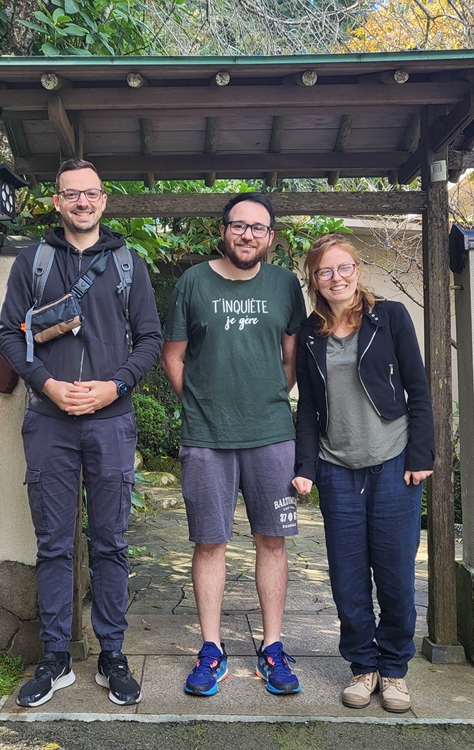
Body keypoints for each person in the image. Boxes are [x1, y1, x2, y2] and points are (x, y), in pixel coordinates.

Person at [0, 159, 162, 708]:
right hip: (50, 423)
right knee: (53, 544)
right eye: (72, 195)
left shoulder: (127, 264)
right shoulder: (34, 261)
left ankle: (112, 652)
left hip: (112, 422)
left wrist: (115, 386)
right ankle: (55, 656)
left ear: (104, 201)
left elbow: (150, 340)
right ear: (57, 202)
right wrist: (47, 384)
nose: (82, 203)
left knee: (111, 541)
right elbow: (7, 334)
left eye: (90, 194)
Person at [162, 193, 305, 697]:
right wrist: (203, 406)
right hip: (206, 438)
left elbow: (291, 361)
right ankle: (211, 649)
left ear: (270, 237)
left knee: (273, 539)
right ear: (223, 231)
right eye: (239, 225)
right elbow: (173, 356)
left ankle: (272, 647)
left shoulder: (286, 284)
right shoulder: (194, 282)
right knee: (210, 542)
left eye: (258, 228)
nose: (248, 235)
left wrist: (262, 401)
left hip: (271, 436)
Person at [291, 234, 434, 713]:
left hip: (394, 464)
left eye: (344, 267)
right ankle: (362, 666)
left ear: (357, 269)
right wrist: (306, 467)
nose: (337, 278)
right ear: (314, 280)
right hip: (337, 469)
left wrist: (421, 454)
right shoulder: (310, 332)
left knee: (395, 573)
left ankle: (394, 671)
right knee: (348, 577)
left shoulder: (389, 317)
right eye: (325, 271)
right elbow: (308, 406)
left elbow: (418, 386)